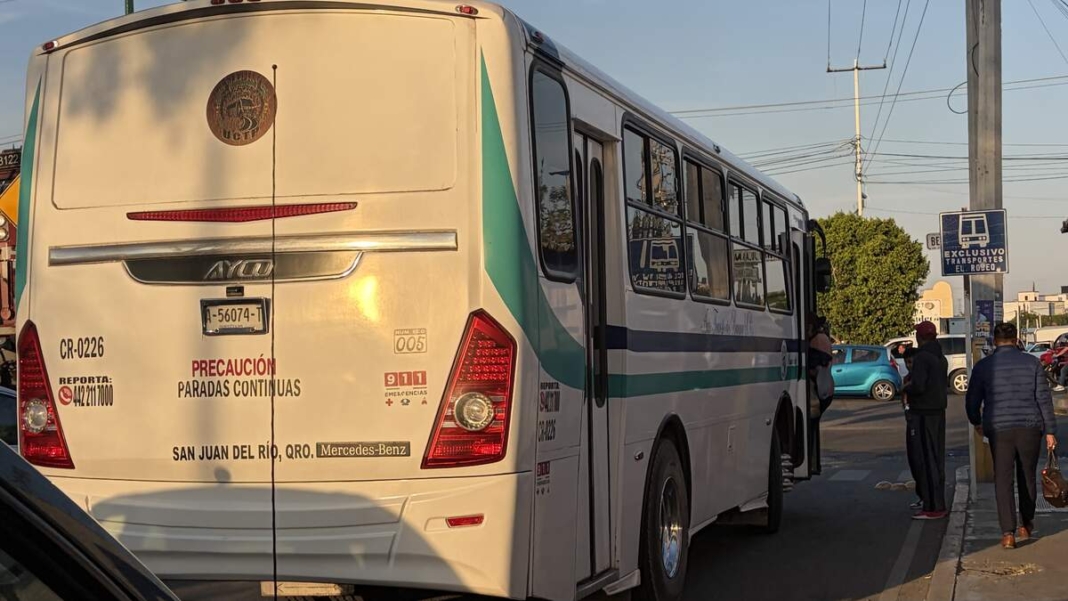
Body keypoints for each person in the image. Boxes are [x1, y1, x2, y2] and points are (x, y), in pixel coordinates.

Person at [966, 322, 1058, 550]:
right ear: (1016, 339)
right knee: (1027, 475)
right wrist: (1050, 431)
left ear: (994, 341)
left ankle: (1007, 533)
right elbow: (1043, 400)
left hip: (999, 429)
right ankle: (1026, 524)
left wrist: (977, 422)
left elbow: (972, 401)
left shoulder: (984, 366)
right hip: (1029, 427)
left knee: (1003, 479)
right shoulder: (1032, 363)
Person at [902, 321, 949, 519]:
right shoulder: (941, 357)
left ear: (920, 337)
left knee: (925, 460)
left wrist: (906, 388)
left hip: (923, 412)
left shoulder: (922, 357)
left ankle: (932, 507)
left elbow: (919, 386)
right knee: (936, 459)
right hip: (938, 411)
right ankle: (937, 503)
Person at [807, 314, 834, 475]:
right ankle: (809, 459)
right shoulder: (822, 338)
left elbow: (818, 364)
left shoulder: (818, 340)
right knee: (811, 425)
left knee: (810, 425)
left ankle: (809, 459)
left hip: (818, 391)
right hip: (824, 390)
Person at [901, 348, 924, 510]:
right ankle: (921, 495)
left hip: (919, 420)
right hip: (910, 420)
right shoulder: (907, 379)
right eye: (907, 362)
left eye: (911, 362)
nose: (909, 365)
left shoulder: (918, 380)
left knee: (919, 460)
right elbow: (904, 401)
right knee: (913, 461)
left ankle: (925, 496)